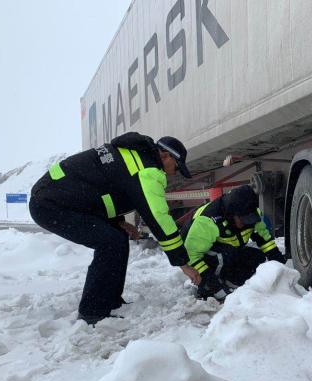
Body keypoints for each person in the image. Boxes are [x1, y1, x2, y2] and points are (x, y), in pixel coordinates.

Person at [29, 132, 200, 324]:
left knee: (117, 237)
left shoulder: (135, 156)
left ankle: (110, 300)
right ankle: (92, 312)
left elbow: (103, 187)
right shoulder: (147, 170)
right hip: (49, 205)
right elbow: (159, 218)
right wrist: (182, 262)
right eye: (176, 167)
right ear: (166, 156)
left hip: (58, 199)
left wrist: (119, 222)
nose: (174, 172)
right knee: (109, 242)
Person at [183, 185, 286, 301]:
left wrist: (281, 265)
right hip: (197, 256)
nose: (246, 223)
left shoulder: (252, 213)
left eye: (250, 218)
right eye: (243, 219)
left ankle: (232, 284)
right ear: (231, 214)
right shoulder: (208, 221)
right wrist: (213, 285)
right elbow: (191, 255)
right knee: (226, 256)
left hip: (228, 251)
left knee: (257, 257)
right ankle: (208, 290)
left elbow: (265, 241)